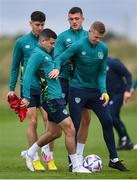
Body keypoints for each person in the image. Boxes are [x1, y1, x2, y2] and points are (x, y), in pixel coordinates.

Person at [49, 21, 129, 171]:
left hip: (95, 92)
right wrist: (57, 69)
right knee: (76, 124)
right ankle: (73, 162)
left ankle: (114, 159)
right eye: (96, 37)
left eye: (100, 38)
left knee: (107, 121)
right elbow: (60, 57)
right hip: (77, 90)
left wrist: (103, 90)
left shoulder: (103, 49)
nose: (97, 40)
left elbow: (102, 72)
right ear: (90, 32)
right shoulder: (79, 45)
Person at [20, 28, 90, 173]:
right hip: (50, 98)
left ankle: (30, 153)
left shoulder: (47, 54)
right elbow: (26, 76)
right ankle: (76, 165)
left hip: (56, 97)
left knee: (54, 133)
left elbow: (60, 59)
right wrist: (26, 97)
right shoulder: (37, 55)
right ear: (43, 40)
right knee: (70, 129)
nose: (53, 46)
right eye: (51, 43)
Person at [7, 11, 57, 170]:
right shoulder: (22, 42)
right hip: (28, 87)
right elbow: (15, 67)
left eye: (42, 24)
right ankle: (34, 158)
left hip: (45, 87)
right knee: (33, 121)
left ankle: (49, 157)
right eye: (37, 25)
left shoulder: (48, 41)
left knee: (49, 121)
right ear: (30, 24)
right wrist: (10, 88)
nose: (40, 27)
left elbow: (54, 62)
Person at [54, 7, 91, 169]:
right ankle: (41, 151)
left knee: (86, 119)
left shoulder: (88, 36)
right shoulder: (62, 37)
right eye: (71, 19)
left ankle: (79, 156)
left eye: (77, 18)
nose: (74, 21)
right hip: (64, 81)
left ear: (83, 19)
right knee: (58, 123)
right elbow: (57, 58)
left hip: (82, 83)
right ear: (68, 20)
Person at [106, 56, 135, 150]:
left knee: (111, 115)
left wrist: (127, 90)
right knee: (114, 117)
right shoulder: (95, 63)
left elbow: (128, 74)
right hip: (108, 96)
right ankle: (126, 140)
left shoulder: (112, 62)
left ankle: (124, 139)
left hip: (119, 94)